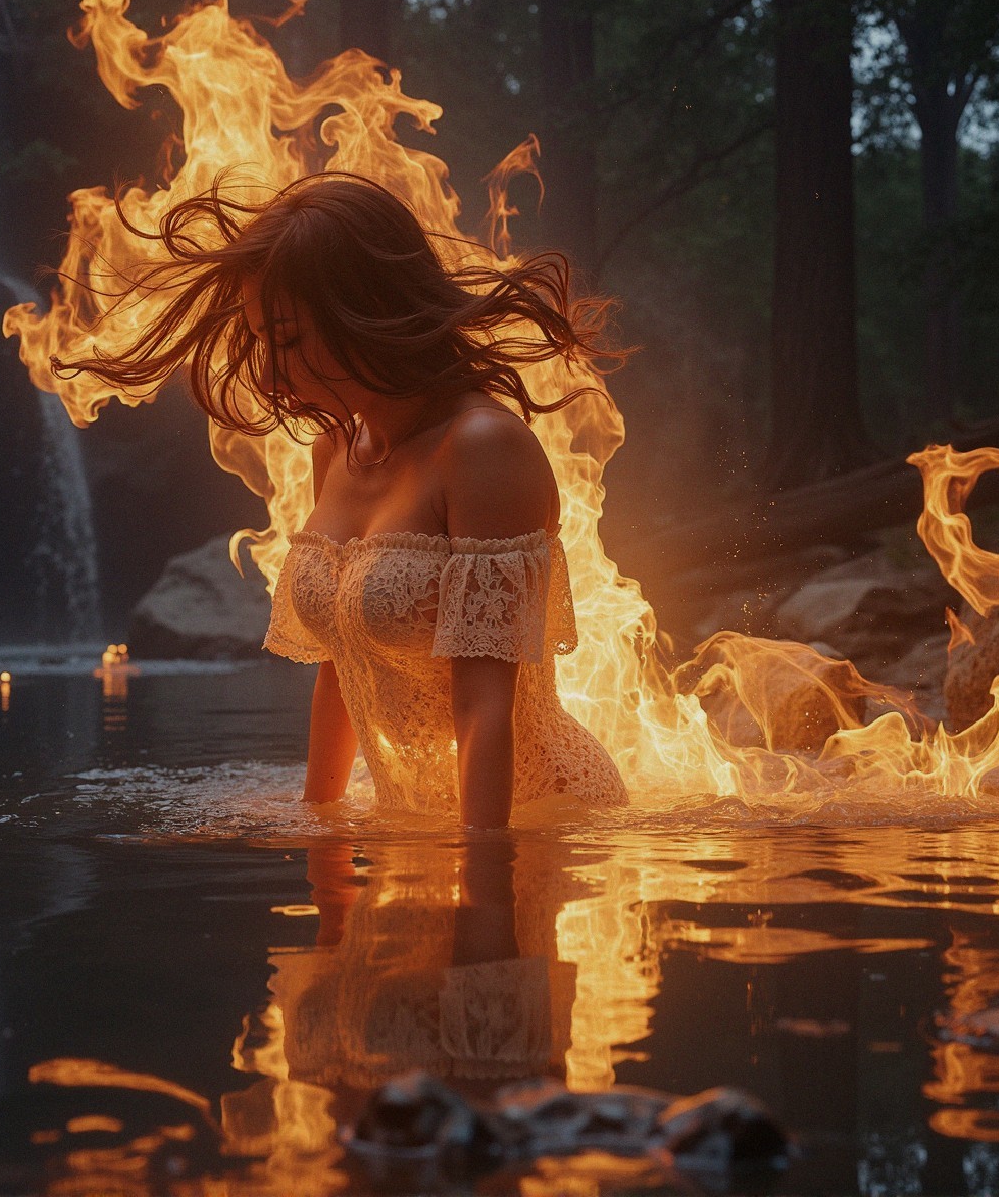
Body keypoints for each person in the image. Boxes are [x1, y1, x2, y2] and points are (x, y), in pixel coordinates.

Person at [56, 172, 627, 826]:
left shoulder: (482, 448)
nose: (268, 372)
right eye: (260, 341)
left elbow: (483, 704)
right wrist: (320, 835)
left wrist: (483, 872)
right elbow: (340, 672)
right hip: (414, 820)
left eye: (289, 340)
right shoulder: (334, 450)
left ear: (369, 308)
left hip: (541, 817)